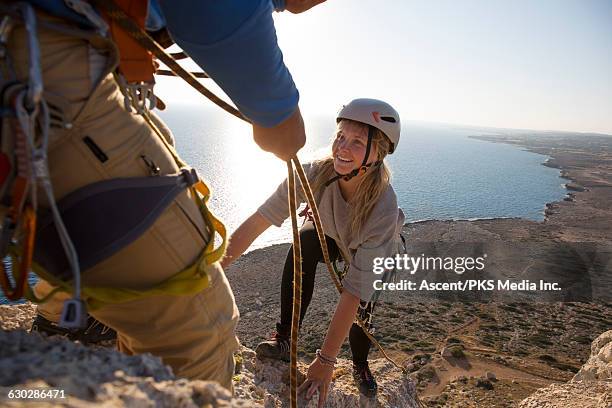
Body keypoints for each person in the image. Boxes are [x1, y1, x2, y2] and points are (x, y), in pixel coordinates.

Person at [1, 0, 325, 393]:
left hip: (35, 57)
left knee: (157, 152)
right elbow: (280, 134)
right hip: (38, 68)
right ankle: (76, 325)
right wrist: (286, 122)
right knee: (203, 336)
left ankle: (66, 317)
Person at [221, 98, 405, 403]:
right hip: (335, 238)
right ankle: (285, 339)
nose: (342, 148)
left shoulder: (383, 208)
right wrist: (211, 269)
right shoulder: (315, 174)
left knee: (362, 313)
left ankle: (360, 365)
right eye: (341, 137)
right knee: (304, 243)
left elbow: (355, 287)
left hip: (376, 255)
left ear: (379, 153)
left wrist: (326, 360)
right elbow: (260, 220)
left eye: (358, 141)